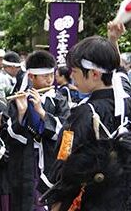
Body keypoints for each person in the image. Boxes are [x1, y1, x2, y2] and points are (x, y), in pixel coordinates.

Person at [44, 33, 131, 210]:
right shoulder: (126, 97)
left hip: (92, 198)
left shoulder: (84, 113)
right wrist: (113, 40)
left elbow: (65, 157)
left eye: (74, 72)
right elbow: (119, 71)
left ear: (94, 74)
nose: (72, 77)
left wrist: (56, 200)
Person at [7, 50, 70, 211]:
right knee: (26, 202)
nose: (49, 80)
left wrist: (41, 112)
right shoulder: (19, 100)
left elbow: (66, 132)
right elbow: (9, 136)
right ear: (31, 77)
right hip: (26, 160)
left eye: (51, 75)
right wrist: (21, 114)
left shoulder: (58, 99)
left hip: (50, 159)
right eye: (44, 76)